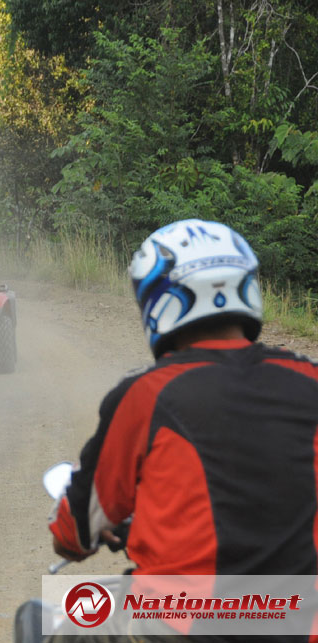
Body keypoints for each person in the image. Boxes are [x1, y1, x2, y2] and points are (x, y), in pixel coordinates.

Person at [49, 219, 318, 581]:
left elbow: (73, 534)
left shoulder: (145, 393)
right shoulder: (310, 378)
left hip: (185, 624)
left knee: (45, 619)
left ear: (157, 299)